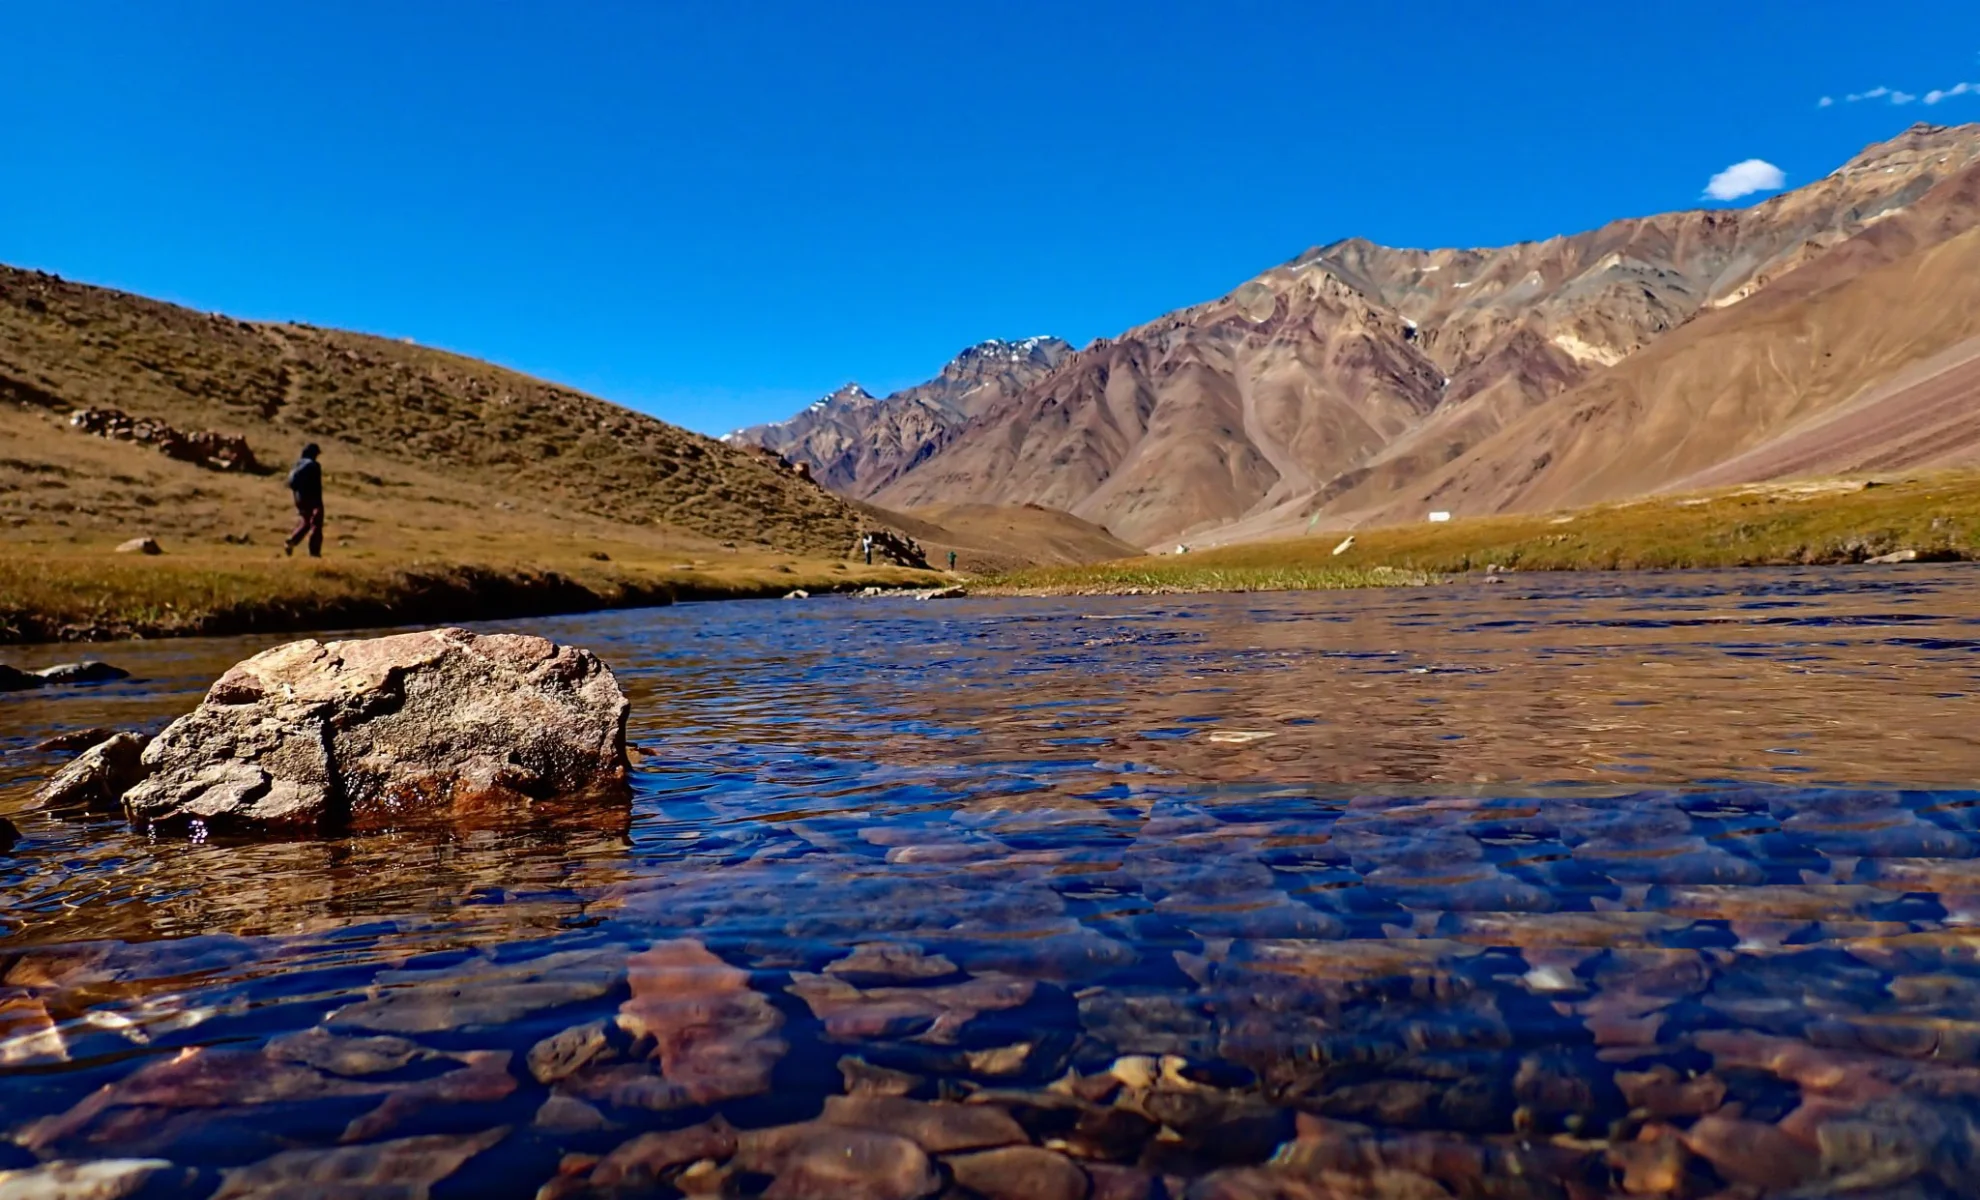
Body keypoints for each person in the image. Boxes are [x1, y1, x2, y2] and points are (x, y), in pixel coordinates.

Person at [284, 443, 325, 557]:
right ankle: (314, 553)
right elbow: (317, 486)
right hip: (313, 499)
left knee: (306, 522)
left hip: (299, 498)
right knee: (316, 524)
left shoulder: (297, 464)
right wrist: (319, 504)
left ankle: (291, 541)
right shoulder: (314, 465)